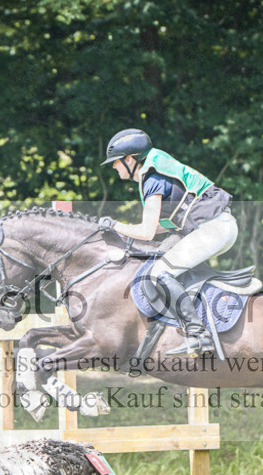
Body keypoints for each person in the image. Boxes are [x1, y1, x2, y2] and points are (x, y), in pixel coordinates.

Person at [99, 128, 237, 356]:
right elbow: (163, 225)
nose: (114, 167)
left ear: (130, 160)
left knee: (159, 274)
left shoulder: (152, 178)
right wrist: (125, 229)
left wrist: (114, 225)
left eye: (116, 162)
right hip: (217, 226)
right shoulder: (156, 171)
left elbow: (147, 232)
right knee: (159, 258)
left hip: (214, 228)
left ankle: (199, 335)